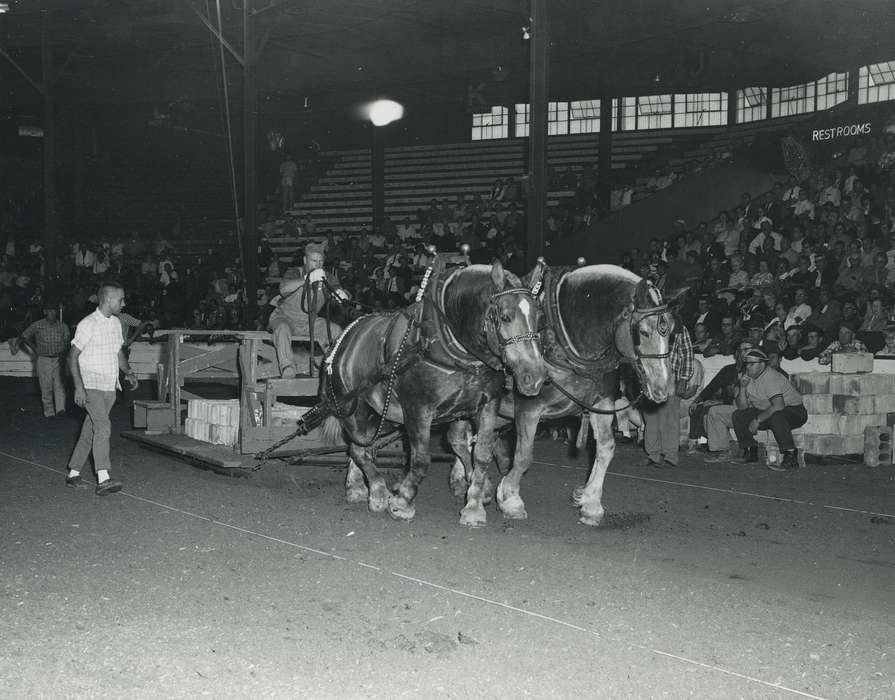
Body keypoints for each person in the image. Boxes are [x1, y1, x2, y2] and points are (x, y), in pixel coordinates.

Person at [66, 283, 139, 495]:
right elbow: (72, 358)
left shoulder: (116, 323)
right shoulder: (87, 324)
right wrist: (79, 387)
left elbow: (118, 353)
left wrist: (129, 372)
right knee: (104, 427)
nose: (124, 303)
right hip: (91, 385)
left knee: (91, 429)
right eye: (121, 300)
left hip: (109, 386)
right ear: (107, 300)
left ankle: (73, 474)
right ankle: (103, 477)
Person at [705, 348, 807, 471]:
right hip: (767, 409)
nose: (748, 367)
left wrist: (757, 420)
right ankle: (750, 451)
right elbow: (743, 407)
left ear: (762, 364)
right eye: (747, 364)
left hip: (794, 411)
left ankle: (790, 457)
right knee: (739, 415)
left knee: (777, 416)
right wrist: (742, 388)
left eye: (752, 364)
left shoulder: (770, 377)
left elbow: (779, 405)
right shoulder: (747, 377)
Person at [268, 242, 347, 378]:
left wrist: (341, 294)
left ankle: (329, 367)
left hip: (310, 322)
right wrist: (306, 279)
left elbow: (338, 288)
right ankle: (287, 367)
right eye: (313, 261)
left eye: (320, 261)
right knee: (282, 328)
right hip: (286, 318)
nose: (317, 265)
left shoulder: (326, 277)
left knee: (336, 331)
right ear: (305, 260)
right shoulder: (294, 272)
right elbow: (283, 289)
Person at [642, 317, 694, 469]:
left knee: (670, 418)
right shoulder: (647, 326)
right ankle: (653, 454)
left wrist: (683, 379)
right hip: (650, 378)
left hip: (671, 377)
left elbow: (687, 354)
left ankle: (670, 455)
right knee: (651, 419)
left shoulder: (678, 327)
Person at [18, 299, 70, 418]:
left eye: (54, 311)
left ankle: (60, 410)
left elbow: (67, 341)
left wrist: (63, 353)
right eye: (50, 311)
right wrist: (34, 349)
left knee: (59, 385)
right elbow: (24, 336)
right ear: (45, 312)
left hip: (58, 359)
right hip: (44, 359)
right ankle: (49, 413)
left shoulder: (63, 326)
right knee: (45, 386)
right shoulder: (37, 325)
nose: (53, 313)